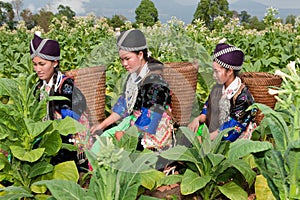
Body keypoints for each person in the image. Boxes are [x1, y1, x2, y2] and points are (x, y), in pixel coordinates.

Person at [90, 29, 174, 153]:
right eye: (121, 60)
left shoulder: (155, 80)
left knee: (109, 149)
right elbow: (123, 106)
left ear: (140, 55)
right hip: (133, 124)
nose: (124, 63)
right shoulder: (132, 77)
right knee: (103, 139)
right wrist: (102, 125)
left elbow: (150, 118)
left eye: (127, 58)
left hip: (150, 130)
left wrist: (126, 135)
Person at [30, 32, 92, 172]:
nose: (38, 69)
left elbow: (77, 112)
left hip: (70, 133)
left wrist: (59, 118)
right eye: (34, 64)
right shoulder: (39, 86)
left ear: (55, 63)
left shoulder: (66, 85)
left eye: (42, 64)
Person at [188, 40, 256, 142]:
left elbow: (231, 129)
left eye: (217, 71)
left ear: (229, 71)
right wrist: (197, 119)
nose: (214, 75)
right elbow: (207, 108)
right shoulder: (217, 88)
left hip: (232, 140)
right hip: (215, 131)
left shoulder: (243, 97)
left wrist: (203, 140)